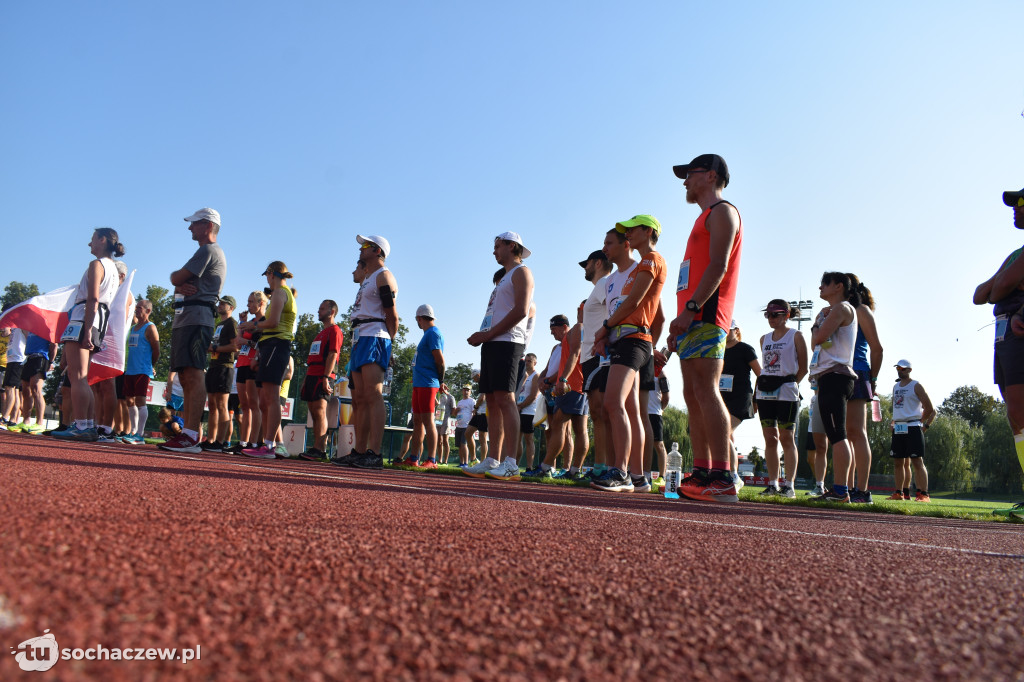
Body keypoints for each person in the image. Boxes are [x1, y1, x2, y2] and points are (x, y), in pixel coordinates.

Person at [668, 155, 744, 503]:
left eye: (690, 175)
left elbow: (718, 265)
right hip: (691, 317)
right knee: (693, 395)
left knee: (707, 389)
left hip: (707, 315)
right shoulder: (703, 218)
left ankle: (724, 476)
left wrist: (694, 308)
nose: (685, 181)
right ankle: (702, 471)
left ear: (710, 175)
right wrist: (682, 316)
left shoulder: (723, 211)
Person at [592, 215, 667, 493]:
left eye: (632, 230)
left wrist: (605, 329)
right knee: (632, 409)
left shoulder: (649, 261)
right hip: (622, 340)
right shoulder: (614, 279)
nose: (629, 236)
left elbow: (637, 304)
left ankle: (621, 472)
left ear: (647, 231)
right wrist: (606, 335)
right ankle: (637, 475)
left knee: (613, 403)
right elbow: (620, 309)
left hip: (634, 339)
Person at [464, 232, 535, 481]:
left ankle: (512, 463)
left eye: (497, 246)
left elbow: (521, 311)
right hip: (493, 342)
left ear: (511, 246)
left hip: (509, 342)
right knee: (492, 402)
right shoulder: (504, 278)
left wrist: (489, 334)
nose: (494, 251)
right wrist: (485, 335)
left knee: (506, 399)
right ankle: (492, 459)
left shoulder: (521, 272)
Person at [159, 208, 226, 453]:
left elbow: (176, 277)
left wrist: (178, 282)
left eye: (194, 224)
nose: (190, 228)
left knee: (194, 374)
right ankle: (188, 432)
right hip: (189, 317)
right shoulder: (205, 251)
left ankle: (190, 435)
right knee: (186, 376)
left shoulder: (208, 250)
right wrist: (178, 283)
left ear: (207, 225)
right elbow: (176, 280)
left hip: (197, 318)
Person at [977, 186, 1024, 517]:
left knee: (1022, 412)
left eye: (1021, 202)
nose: (1015, 208)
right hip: (1004, 334)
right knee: (1016, 418)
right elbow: (982, 294)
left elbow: (999, 289)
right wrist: (1003, 281)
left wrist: (1002, 284)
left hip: (1018, 331)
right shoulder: (1015, 253)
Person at [52, 228, 124, 442]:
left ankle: (82, 425)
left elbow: (92, 298)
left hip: (86, 318)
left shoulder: (97, 265)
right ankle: (87, 425)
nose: (89, 244)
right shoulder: (112, 267)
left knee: (77, 376)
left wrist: (86, 331)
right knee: (83, 376)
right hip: (97, 321)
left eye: (92, 239)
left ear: (102, 240)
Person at [334, 235, 398, 470]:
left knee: (373, 395)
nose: (360, 250)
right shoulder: (368, 278)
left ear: (377, 250)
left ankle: (375, 452)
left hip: (375, 336)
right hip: (360, 336)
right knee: (359, 399)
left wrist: (389, 344)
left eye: (365, 246)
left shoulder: (384, 276)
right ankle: (359, 451)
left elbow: (392, 314)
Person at [810, 272, 860, 503]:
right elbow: (816, 342)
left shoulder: (842, 309)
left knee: (838, 435)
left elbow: (818, 338)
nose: (820, 287)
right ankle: (840, 488)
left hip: (836, 375)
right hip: (831, 376)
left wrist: (818, 322)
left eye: (825, 283)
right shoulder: (836, 310)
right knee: (835, 434)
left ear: (839, 286)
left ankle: (841, 490)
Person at [755, 300, 809, 498]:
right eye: (768, 315)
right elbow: (764, 368)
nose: (771, 318)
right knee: (770, 438)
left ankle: (789, 485)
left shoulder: (796, 335)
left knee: (787, 437)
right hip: (765, 392)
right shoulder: (764, 339)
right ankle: (772, 484)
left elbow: (803, 367)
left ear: (786, 315)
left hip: (787, 392)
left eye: (775, 314)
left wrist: (791, 383)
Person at [242, 263, 296, 458]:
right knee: (264, 401)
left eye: (267, 276)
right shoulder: (281, 293)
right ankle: (267, 444)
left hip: (276, 345)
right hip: (270, 347)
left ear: (271, 274)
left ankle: (269, 445)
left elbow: (272, 323)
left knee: (271, 399)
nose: (266, 279)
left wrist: (252, 324)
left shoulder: (281, 293)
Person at [844, 274, 883, 504]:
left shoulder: (861, 311)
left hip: (858, 372)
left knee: (857, 432)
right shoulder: (837, 312)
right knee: (845, 435)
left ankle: (862, 490)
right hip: (838, 373)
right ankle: (845, 488)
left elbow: (877, 349)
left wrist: (873, 379)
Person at [538, 311, 588, 479]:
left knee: (560, 425)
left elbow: (574, 355)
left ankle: (546, 466)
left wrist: (562, 379)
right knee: (578, 429)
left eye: (554, 330)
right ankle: (574, 471)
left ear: (564, 327)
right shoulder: (563, 342)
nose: (552, 334)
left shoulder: (577, 330)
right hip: (576, 385)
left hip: (573, 385)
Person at [578, 249, 613, 480]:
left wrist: (603, 340)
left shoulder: (605, 284)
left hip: (599, 354)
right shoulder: (598, 288)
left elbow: (614, 312)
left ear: (598, 263)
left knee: (603, 412)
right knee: (598, 414)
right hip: (591, 356)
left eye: (587, 263)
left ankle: (608, 466)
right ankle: (601, 466)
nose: (585, 268)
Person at [401, 304, 445, 468]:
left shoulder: (433, 333)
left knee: (428, 421)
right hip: (420, 383)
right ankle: (413, 458)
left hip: (428, 383)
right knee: (417, 420)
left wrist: (440, 381)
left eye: (417, 320)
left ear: (419, 319)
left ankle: (432, 460)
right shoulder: (428, 334)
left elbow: (440, 360)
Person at [299, 299, 343, 461]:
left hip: (323, 375)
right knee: (313, 412)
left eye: (322, 308)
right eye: (319, 308)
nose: (319, 311)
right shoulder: (320, 333)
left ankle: (320, 448)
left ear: (331, 312)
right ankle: (316, 447)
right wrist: (306, 378)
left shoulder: (335, 331)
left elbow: (333, 354)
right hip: (312, 374)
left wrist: (326, 377)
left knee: (319, 411)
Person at [719, 321, 760, 488]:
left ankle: (735, 476)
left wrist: (756, 399)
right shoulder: (718, 350)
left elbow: (761, 374)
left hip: (741, 397)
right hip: (721, 397)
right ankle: (725, 472)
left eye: (727, 329)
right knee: (727, 435)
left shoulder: (745, 349)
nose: (724, 332)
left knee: (722, 432)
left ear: (736, 330)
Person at [888, 359, 935, 502]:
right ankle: (898, 493)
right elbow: (897, 408)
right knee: (898, 461)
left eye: (902, 368)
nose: (899, 370)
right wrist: (894, 422)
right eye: (898, 368)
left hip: (913, 426)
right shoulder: (895, 387)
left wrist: (920, 422)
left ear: (909, 370)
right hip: (899, 427)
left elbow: (929, 408)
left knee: (917, 461)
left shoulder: (916, 385)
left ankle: (924, 494)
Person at [228, 291, 267, 454]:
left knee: (253, 404)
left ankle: (254, 442)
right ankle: (243, 442)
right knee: (244, 406)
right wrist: (241, 323)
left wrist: (248, 342)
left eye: (251, 302)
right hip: (242, 363)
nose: (248, 305)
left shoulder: (265, 322)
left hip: (253, 364)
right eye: (248, 301)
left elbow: (262, 344)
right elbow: (237, 343)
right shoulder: (250, 322)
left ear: (261, 303)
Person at [202, 296, 239, 452]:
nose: (220, 305)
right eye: (220, 302)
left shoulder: (232, 323)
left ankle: (220, 441)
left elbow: (235, 347)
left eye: (224, 303)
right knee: (212, 405)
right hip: (214, 365)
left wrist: (214, 348)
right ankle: (210, 440)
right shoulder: (220, 324)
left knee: (222, 405)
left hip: (225, 367)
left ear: (231, 307)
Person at [122, 298, 159, 444]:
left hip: (142, 370)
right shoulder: (132, 328)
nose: (136, 310)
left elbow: (157, 350)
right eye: (136, 307)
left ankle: (140, 434)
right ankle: (133, 431)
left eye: (139, 308)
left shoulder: (150, 327)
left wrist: (151, 365)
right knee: (129, 401)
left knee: (140, 401)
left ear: (148, 311)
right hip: (130, 369)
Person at [19, 332, 55, 434]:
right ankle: (26, 421)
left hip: (41, 358)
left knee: (35, 388)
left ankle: (39, 423)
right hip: (29, 358)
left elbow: (54, 344)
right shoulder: (30, 327)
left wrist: (51, 362)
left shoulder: (47, 326)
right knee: (25, 391)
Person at [646, 354, 670, 488]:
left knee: (659, 445)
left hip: (654, 413)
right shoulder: (639, 368)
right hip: (640, 413)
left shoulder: (660, 372)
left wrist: (661, 408)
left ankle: (662, 476)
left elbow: (666, 396)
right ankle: (641, 473)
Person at [517, 354, 542, 471]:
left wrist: (521, 406)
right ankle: (514, 465)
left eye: (529, 361)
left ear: (535, 363)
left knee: (528, 439)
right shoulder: (523, 376)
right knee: (517, 438)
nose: (527, 363)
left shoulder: (536, 376)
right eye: (526, 361)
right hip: (518, 410)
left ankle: (529, 467)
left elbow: (533, 396)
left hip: (529, 411)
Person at [454, 385, 475, 467]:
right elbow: (454, 414)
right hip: (458, 426)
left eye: (468, 390)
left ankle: (466, 463)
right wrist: (456, 410)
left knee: (464, 444)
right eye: (464, 390)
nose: (466, 392)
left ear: (470, 392)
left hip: (466, 426)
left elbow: (474, 413)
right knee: (459, 445)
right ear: (462, 391)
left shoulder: (472, 401)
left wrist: (472, 424)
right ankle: (461, 463)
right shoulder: (459, 402)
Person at [435, 383, 456, 464]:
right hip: (438, 418)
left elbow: (454, 409)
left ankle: (445, 461)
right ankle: (439, 459)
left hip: (446, 419)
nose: (441, 390)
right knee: (438, 441)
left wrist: (449, 414)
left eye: (442, 389)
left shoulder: (451, 397)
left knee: (445, 440)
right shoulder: (439, 396)